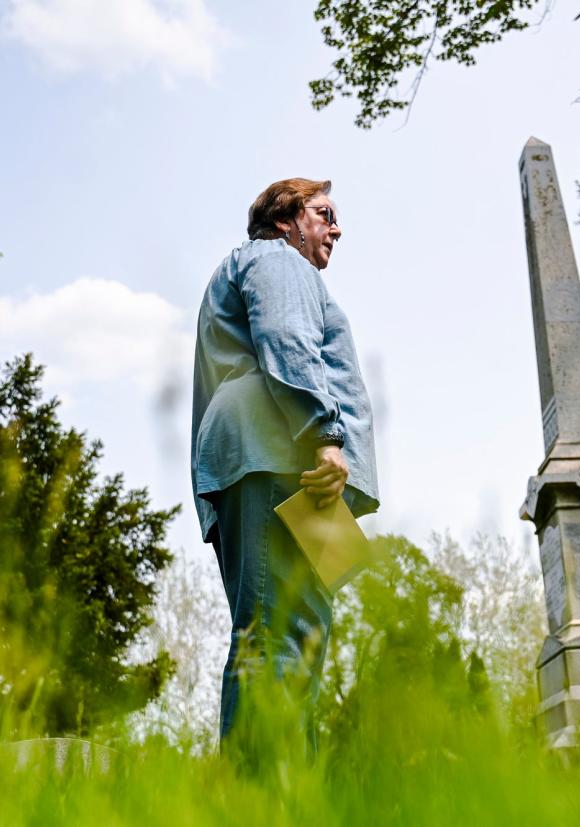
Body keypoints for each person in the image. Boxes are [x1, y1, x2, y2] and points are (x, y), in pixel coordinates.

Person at [191, 178, 379, 754]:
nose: (336, 227)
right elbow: (286, 336)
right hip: (287, 460)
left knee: (299, 639)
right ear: (284, 221)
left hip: (276, 460)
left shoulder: (262, 267)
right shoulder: (277, 261)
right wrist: (325, 434)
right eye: (323, 213)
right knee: (279, 636)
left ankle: (287, 795)